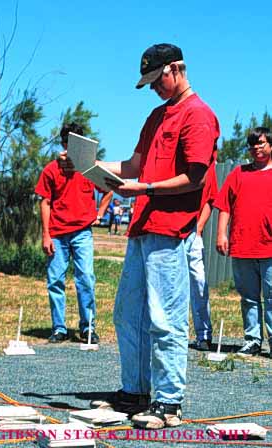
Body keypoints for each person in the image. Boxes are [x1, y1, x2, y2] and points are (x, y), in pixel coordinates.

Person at [90, 43, 219, 428]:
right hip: (142, 229)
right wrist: (92, 167)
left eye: (155, 80)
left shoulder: (198, 115)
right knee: (128, 314)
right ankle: (135, 391)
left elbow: (194, 178)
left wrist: (144, 189)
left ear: (175, 69)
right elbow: (133, 165)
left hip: (171, 229)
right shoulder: (156, 115)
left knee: (166, 318)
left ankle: (169, 401)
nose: (153, 88)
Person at [35, 122, 112, 344]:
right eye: (69, 144)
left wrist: (100, 213)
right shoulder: (51, 169)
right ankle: (59, 328)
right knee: (55, 281)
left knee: (86, 279)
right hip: (57, 234)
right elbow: (45, 202)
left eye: (77, 144)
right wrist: (46, 235)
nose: (72, 149)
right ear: (64, 144)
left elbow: (109, 189)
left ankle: (87, 328)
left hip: (82, 233)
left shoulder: (88, 169)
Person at [214, 127, 272, 358]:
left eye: (261, 143)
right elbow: (224, 206)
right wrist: (221, 234)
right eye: (253, 144)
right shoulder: (238, 173)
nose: (257, 148)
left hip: (269, 247)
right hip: (243, 246)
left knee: (271, 296)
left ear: (270, 145)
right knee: (248, 297)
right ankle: (252, 340)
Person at [187, 163, 218, 351]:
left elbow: (210, 199)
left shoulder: (208, 167)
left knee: (199, 282)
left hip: (192, 232)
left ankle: (203, 334)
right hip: (168, 231)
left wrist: (198, 228)